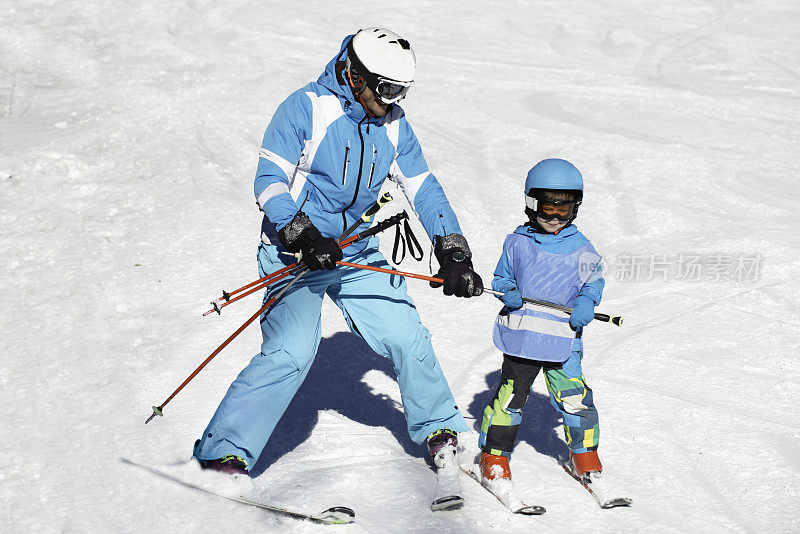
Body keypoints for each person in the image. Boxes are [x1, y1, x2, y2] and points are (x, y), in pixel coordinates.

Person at [192, 28, 483, 476]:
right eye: (386, 89)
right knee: (291, 352)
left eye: (402, 91)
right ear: (354, 75)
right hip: (294, 254)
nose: (392, 101)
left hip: (355, 250)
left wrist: (453, 250)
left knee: (407, 334)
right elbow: (268, 181)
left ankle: (440, 429)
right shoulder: (305, 109)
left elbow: (423, 188)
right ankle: (222, 452)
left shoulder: (393, 123)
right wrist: (302, 234)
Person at [479, 158, 608, 488]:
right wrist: (507, 292)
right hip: (523, 339)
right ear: (531, 204)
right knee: (510, 397)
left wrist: (586, 301)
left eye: (563, 210)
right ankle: (494, 457)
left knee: (575, 398)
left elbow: (593, 283)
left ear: (575, 209)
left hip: (563, 342)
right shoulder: (517, 243)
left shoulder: (583, 249)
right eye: (547, 207)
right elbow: (501, 277)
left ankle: (584, 456)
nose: (554, 217)